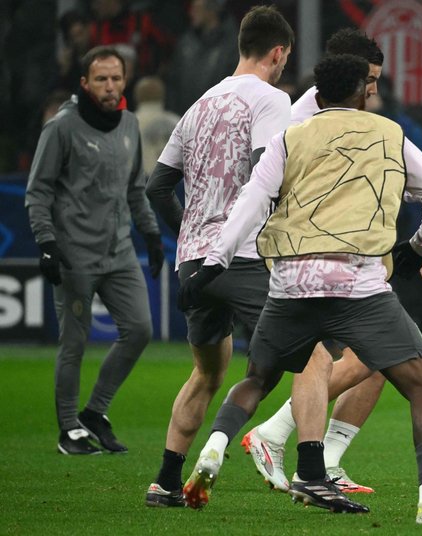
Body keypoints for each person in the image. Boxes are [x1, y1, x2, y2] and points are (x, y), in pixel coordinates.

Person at [180, 53, 422, 524]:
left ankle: (214, 450)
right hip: (357, 284)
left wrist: (211, 265)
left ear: (316, 96)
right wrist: (418, 245)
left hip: (290, 283)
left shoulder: (290, 135)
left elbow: (250, 201)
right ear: (365, 91)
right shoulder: (390, 134)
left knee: (257, 379)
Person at [142, 5, 294, 508]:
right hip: (244, 255)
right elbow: (263, 176)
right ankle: (310, 468)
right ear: (278, 53)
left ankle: (165, 481)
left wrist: (187, 235)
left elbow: (157, 187)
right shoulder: (272, 99)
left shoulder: (199, 105)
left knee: (209, 371)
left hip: (194, 264)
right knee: (314, 354)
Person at [242, 27, 387, 495]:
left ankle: (321, 457)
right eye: (370, 79)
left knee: (378, 357)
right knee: (331, 358)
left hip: (343, 255)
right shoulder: (302, 117)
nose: (374, 91)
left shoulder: (346, 117)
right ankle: (277, 437)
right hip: (306, 258)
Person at [25, 45, 164, 456]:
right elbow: (38, 192)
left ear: (125, 81)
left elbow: (135, 189)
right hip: (74, 255)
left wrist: (151, 234)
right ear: (84, 84)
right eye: (100, 79)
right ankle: (68, 429)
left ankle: (94, 414)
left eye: (116, 78)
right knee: (74, 343)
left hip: (118, 252)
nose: (109, 86)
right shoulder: (61, 128)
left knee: (140, 330)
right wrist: (47, 244)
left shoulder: (128, 124)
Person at [166, 0, 239, 115]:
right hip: (185, 119)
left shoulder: (232, 45)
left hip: (218, 120)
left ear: (211, 10)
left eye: (196, 8)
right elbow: (173, 83)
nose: (191, 13)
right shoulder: (186, 42)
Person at [133, 76, 180, 176]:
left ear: (137, 95)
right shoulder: (176, 121)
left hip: (143, 182)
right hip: (174, 181)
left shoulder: (130, 123)